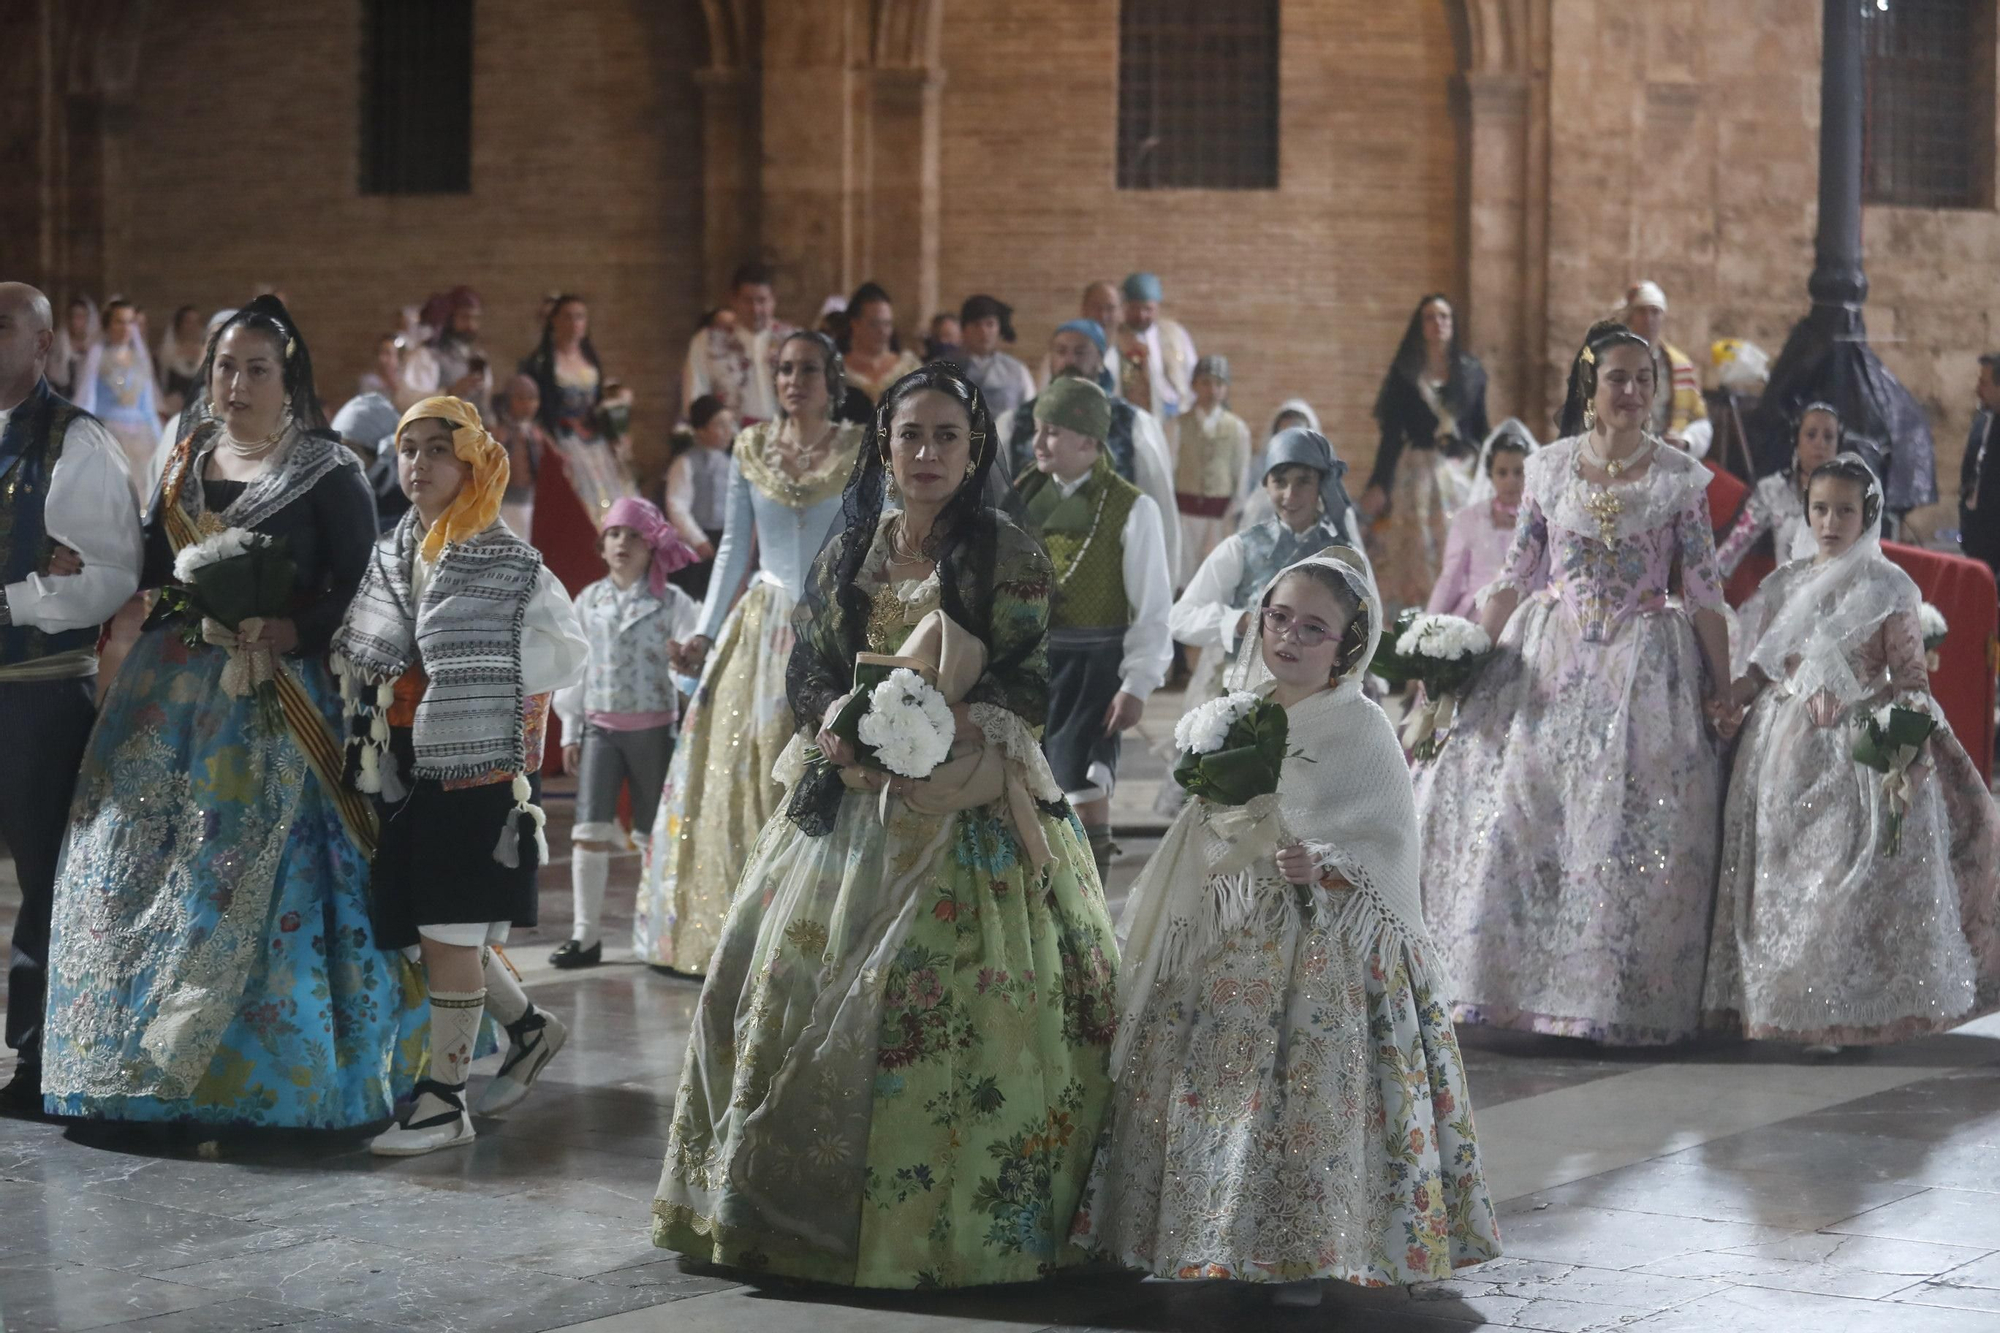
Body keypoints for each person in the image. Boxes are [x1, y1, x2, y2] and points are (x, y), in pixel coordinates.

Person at [651, 363, 1120, 1287]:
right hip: (852, 803)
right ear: (885, 444)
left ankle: (946, 1228)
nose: (928, 452)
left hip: (964, 807)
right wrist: (839, 721)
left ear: (975, 446)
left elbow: (1028, 678)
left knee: (946, 1002)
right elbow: (811, 665)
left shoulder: (1009, 552)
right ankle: (779, 1208)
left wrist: (950, 721)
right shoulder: (850, 545)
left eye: (948, 435)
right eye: (911, 435)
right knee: (771, 969)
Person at [40, 297, 425, 1127]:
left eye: (257, 368)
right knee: (138, 867)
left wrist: (294, 626)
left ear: (291, 381)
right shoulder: (184, 458)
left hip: (280, 704)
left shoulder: (329, 469)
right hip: (168, 695)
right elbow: (151, 558)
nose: (238, 382)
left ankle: (265, 1072)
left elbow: (369, 590)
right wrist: (79, 553)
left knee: (254, 878)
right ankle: (137, 1063)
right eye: (225, 366)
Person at [1076, 551, 1500, 1302]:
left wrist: (1331, 856)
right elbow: (1211, 819)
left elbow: (1390, 836)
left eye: (1314, 629)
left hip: (1325, 943)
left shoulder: (1360, 727)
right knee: (1219, 1085)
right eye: (1279, 618)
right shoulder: (1241, 706)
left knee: (1310, 1094)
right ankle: (1208, 1230)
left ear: (1348, 644)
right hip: (1231, 929)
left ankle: (1311, 1240)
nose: (1291, 639)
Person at [1414, 321, 1734, 1046]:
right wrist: (1459, 662)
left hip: (1645, 663)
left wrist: (1722, 689)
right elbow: (1515, 575)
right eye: (1618, 377)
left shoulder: (1681, 477)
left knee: (1627, 822)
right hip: (1550, 659)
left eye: (1644, 379)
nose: (1631, 391)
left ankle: (1612, 992)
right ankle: (1515, 987)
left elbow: (1707, 590)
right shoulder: (1549, 469)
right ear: (1590, 386)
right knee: (1518, 808)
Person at [334, 397, 587, 1155]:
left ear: (473, 459)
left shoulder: (510, 561)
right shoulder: (392, 551)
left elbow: (568, 651)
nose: (418, 463)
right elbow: (368, 644)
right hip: (405, 758)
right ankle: (528, 1025)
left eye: (437, 449)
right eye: (407, 449)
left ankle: (445, 1100)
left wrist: (476, 677)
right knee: (428, 924)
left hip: (478, 759)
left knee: (448, 923)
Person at [1707, 454, 2000, 1051]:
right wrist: (1733, 695)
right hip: (1784, 747)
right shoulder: (1787, 583)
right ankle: (1787, 1004)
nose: (1831, 521)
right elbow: (1766, 663)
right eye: (1820, 509)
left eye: (1845, 510)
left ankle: (1840, 1011)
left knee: (1841, 870)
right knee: (1783, 874)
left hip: (1856, 743)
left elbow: (1913, 681)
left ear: (1868, 514)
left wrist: (1863, 716)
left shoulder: (1888, 587)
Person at [633, 331, 866, 976]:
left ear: (832, 378)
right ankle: (744, 929)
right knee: (748, 762)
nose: (795, 380)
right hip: (763, 624)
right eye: (785, 369)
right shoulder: (752, 446)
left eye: (809, 369)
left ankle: (816, 931)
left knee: (821, 763)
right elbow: (735, 546)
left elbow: (873, 539)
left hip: (833, 621)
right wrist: (706, 633)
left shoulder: (858, 447)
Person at [0, 284, 142, 1116]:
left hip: (36, 695)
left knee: (50, 880)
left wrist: (15, 599)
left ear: (45, 345)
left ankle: (39, 1059)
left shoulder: (74, 440)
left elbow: (110, 574)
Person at [1015, 376, 1173, 880]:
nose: (1038, 443)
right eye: (1037, 430)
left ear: (1089, 441)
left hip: (1093, 670)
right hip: (1027, 666)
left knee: (1084, 796)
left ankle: (1092, 930)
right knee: (1018, 797)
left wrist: (1137, 683)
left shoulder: (1131, 507)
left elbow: (1152, 607)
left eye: (1053, 432)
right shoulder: (1022, 494)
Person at [549, 499, 699, 970]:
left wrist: (684, 665)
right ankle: (584, 935)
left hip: (654, 731)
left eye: (633, 536)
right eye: (614, 534)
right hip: (600, 730)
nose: (622, 544)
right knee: (588, 830)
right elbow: (575, 668)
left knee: (655, 835)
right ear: (602, 544)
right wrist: (571, 729)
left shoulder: (673, 603)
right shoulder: (588, 601)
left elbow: (692, 668)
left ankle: (658, 931)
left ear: (652, 547)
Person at [994, 320, 1180, 574]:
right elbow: (995, 501)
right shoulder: (1015, 423)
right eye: (1061, 352)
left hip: (1111, 571)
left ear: (1101, 359)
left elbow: (1160, 508)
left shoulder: (1133, 424)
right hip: (1028, 573)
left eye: (1080, 352)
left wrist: (1164, 577)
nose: (1069, 360)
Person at [1361, 294, 1490, 615]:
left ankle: (1458, 614)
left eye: (1444, 317)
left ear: (1453, 323)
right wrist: (1379, 481)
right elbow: (1391, 434)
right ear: (1420, 326)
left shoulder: (1471, 373)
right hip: (1417, 473)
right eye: (1430, 317)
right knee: (1416, 549)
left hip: (1460, 473)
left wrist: (1492, 473)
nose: (1438, 324)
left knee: (1458, 545)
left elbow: (1480, 428)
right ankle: (1420, 616)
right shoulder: (1406, 375)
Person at [520, 293, 634, 594]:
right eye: (568, 316)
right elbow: (536, 412)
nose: (575, 323)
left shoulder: (589, 358)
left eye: (580, 317)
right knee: (579, 509)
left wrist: (614, 426)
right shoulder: (542, 363)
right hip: (563, 442)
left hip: (594, 441)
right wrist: (550, 445)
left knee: (612, 503)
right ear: (554, 322)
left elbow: (597, 403)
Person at [1715, 402, 1843, 580]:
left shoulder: (1852, 499)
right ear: (1796, 440)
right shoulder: (1773, 491)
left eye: (1828, 437)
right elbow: (1732, 548)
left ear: (1839, 446)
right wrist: (1704, 589)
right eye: (1811, 435)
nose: (1820, 443)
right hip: (1782, 600)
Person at [1426, 419, 1540, 618]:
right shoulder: (1468, 519)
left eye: (1518, 472)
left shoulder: (1541, 519)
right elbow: (1450, 578)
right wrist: (1428, 622)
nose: (1510, 481)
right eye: (1502, 473)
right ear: (1490, 475)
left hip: (1526, 612)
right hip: (1477, 611)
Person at [680, 262, 795, 427]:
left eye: (762, 301)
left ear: (773, 300)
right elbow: (695, 396)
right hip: (730, 438)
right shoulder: (707, 341)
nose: (756, 309)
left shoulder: (795, 341)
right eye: (748, 301)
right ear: (733, 300)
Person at [1171, 354, 1251, 587]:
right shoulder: (1177, 425)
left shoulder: (1237, 429)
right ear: (1194, 385)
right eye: (1205, 382)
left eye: (1219, 384)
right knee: (1183, 576)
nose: (1212, 390)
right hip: (1184, 516)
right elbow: (1169, 470)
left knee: (1213, 578)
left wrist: (1233, 511)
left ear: (1226, 389)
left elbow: (1241, 474)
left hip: (1219, 516)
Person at [74, 298, 162, 500]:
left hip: (142, 437)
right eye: (119, 321)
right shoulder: (96, 357)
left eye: (130, 322)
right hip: (108, 434)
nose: (126, 328)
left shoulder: (140, 358)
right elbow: (87, 398)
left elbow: (147, 406)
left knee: (142, 496)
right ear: (107, 325)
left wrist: (160, 442)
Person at [661, 394, 735, 599]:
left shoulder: (731, 463)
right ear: (700, 430)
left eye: (729, 424)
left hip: (724, 537)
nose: (728, 432)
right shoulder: (686, 463)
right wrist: (697, 539)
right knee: (695, 592)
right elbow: (677, 505)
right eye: (719, 425)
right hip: (696, 541)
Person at [1113, 272, 1197, 447]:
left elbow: (1192, 375)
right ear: (1124, 307)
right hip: (1130, 420)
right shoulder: (1115, 338)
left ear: (1157, 307)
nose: (1141, 315)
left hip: (1172, 418)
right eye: (1135, 308)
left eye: (1147, 309)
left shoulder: (1175, 334)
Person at [1619, 280, 1707, 445]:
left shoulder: (1680, 365)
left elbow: (1700, 421)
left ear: (1663, 317)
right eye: (1641, 312)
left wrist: (1686, 440)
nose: (1648, 319)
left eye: (1655, 312)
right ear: (1631, 316)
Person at [837, 282, 923, 415]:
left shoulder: (909, 368)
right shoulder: (837, 371)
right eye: (874, 324)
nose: (882, 331)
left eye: (887, 324)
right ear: (855, 324)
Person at [491, 373, 553, 540]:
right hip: (505, 503)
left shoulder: (537, 433)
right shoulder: (498, 432)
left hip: (531, 502)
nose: (527, 404)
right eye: (520, 398)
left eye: (532, 398)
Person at [1957, 352, 2000, 586]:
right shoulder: (1982, 420)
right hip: (1976, 536)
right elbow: (1970, 472)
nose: (1978, 388)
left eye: (1984, 383)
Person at [958, 294, 1036, 419]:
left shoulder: (1016, 370)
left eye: (990, 324)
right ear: (964, 330)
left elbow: (1030, 414)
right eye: (976, 325)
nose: (983, 331)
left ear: (999, 329)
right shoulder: (941, 368)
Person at [1035, 281, 1123, 389]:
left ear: (1120, 312)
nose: (1103, 315)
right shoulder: (1058, 360)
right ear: (1084, 309)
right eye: (1096, 307)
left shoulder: (1127, 357)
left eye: (1110, 308)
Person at [427, 286, 492, 420]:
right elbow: (406, 401)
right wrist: (449, 392)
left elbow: (483, 403)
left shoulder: (477, 357)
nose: (471, 325)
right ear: (449, 318)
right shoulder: (428, 355)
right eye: (464, 317)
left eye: (475, 319)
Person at [155, 304, 206, 418]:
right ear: (179, 325)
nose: (193, 326)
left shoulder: (206, 351)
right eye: (188, 322)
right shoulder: (167, 353)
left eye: (196, 322)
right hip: (174, 410)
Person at [48, 296, 96, 400]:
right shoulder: (57, 342)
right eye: (72, 316)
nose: (75, 321)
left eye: (80, 317)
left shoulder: (94, 345)